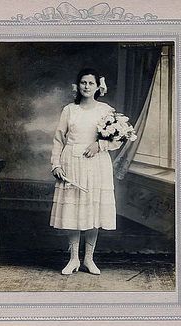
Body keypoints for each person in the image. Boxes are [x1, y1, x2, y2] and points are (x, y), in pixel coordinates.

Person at [50, 68, 122, 275]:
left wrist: (99, 145)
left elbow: (117, 138)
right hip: (72, 162)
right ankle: (73, 259)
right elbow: (58, 139)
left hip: (96, 163)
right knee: (74, 211)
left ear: (98, 86)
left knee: (92, 210)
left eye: (90, 83)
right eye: (83, 83)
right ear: (78, 85)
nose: (86, 87)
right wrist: (56, 164)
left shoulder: (106, 110)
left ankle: (89, 260)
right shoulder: (69, 110)